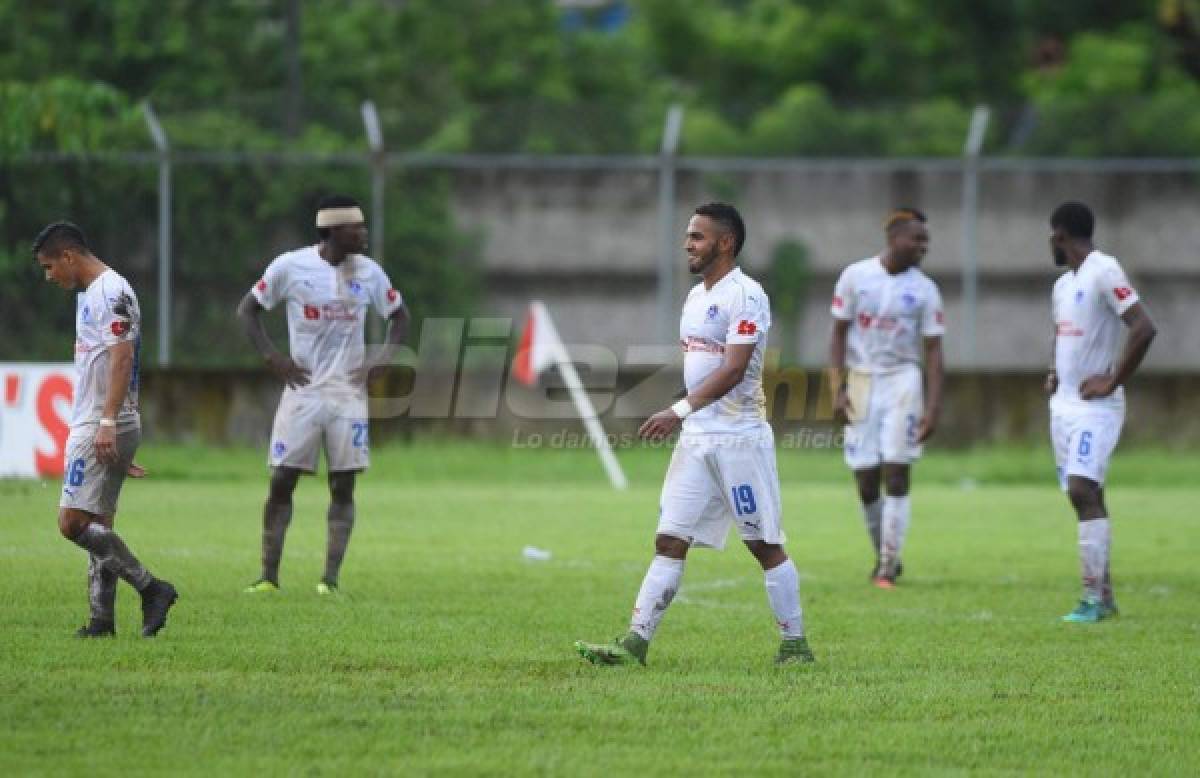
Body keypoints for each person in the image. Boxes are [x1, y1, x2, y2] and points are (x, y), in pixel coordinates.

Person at [574, 202, 814, 667]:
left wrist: (678, 409)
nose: (688, 243)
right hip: (698, 439)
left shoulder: (746, 295)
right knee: (669, 539)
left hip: (738, 439)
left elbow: (735, 367)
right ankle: (634, 645)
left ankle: (795, 646)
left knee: (764, 545)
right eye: (688, 236)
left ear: (725, 243)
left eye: (698, 236)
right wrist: (683, 411)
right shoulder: (694, 297)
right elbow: (703, 367)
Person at [238, 195, 409, 595]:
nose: (364, 234)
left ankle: (329, 580)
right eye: (357, 228)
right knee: (282, 479)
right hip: (303, 391)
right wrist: (272, 356)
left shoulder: (369, 273)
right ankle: (268, 576)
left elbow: (400, 316)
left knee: (343, 484)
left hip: (348, 394)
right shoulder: (291, 266)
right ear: (333, 231)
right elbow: (248, 310)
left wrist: (382, 358)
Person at [33, 222, 178, 638]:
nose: (49, 276)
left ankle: (152, 588)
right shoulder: (92, 295)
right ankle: (101, 621)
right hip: (106, 418)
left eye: (49, 267)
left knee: (72, 524)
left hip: (101, 419)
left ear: (69, 257)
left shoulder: (111, 291)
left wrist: (110, 423)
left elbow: (122, 357)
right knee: (98, 522)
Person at [1046, 201, 1156, 623]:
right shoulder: (1062, 286)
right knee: (1087, 494)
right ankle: (1105, 596)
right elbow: (1062, 335)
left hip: (1096, 408)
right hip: (1064, 407)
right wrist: (1054, 370)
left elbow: (1144, 327)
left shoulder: (1104, 269)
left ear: (1059, 235)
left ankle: (1091, 599)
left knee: (1080, 490)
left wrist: (1113, 380)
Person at [828, 208, 945, 588]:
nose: (923, 246)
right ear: (895, 238)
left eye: (925, 240)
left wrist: (933, 405)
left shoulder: (926, 289)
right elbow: (838, 334)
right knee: (865, 479)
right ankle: (884, 555)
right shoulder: (856, 277)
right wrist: (837, 388)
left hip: (903, 381)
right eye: (917, 239)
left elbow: (933, 351)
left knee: (896, 471)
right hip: (861, 380)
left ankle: (887, 565)